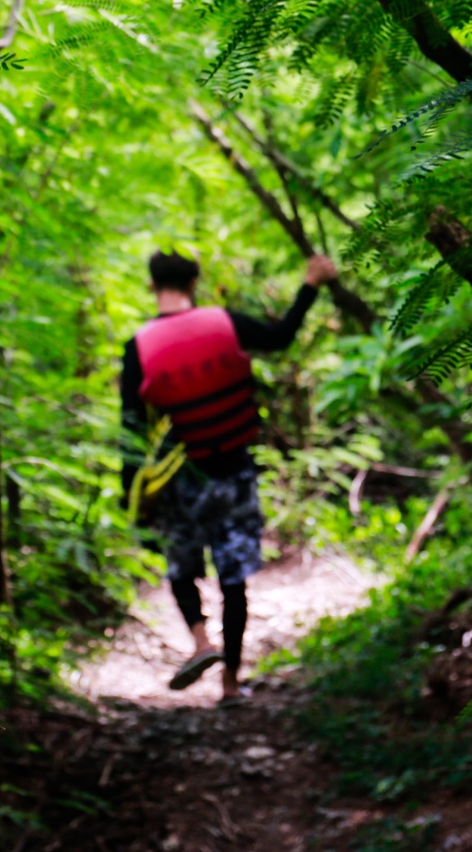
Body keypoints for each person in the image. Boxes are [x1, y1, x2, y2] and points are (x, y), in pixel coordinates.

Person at [120, 248, 338, 702]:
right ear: (195, 282)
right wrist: (310, 283)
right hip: (234, 471)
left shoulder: (138, 347)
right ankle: (231, 682)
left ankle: (201, 642)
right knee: (233, 577)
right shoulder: (224, 322)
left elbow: (131, 429)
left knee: (181, 568)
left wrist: (130, 493)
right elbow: (280, 337)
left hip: (181, 477)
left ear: (151, 285)